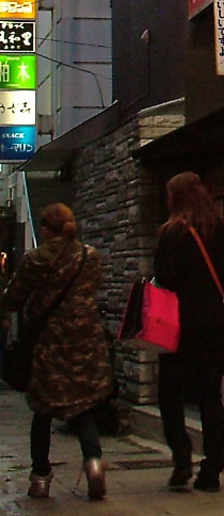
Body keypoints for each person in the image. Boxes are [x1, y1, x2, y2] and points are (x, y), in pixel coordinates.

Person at [2, 203, 113, 500]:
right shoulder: (89, 257)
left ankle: (40, 477)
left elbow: (13, 298)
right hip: (84, 346)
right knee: (83, 407)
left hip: (47, 347)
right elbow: (94, 287)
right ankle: (94, 466)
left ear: (47, 230)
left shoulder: (35, 260)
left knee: (43, 411)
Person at [155, 171, 224, 493]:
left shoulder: (172, 233)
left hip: (180, 328)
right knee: (210, 399)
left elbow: (165, 278)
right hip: (215, 327)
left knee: (170, 397)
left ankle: (182, 457)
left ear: (175, 198)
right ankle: (212, 470)